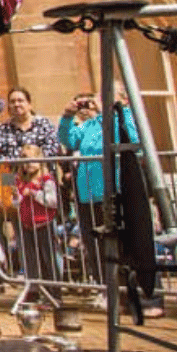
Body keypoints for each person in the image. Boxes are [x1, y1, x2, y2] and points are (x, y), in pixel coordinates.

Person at [60, 92, 139, 304]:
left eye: (100, 97)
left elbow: (133, 139)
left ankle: (128, 293)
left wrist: (123, 109)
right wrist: (67, 116)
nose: (93, 102)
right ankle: (106, 289)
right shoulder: (91, 124)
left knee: (120, 246)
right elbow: (67, 140)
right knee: (94, 245)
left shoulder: (122, 120)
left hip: (113, 192)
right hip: (87, 195)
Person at [14, 144, 61, 299]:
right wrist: (15, 197)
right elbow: (13, 201)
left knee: (48, 259)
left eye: (33, 160)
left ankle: (54, 292)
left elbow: (52, 201)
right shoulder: (17, 179)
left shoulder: (46, 179)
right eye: (25, 160)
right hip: (26, 224)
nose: (29, 164)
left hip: (44, 223)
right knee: (30, 259)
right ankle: (33, 291)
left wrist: (34, 193)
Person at [0, 86, 60, 161]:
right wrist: (8, 164)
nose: (16, 104)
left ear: (29, 105)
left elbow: (54, 147)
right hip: (12, 171)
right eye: (12, 102)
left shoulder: (44, 124)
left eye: (20, 101)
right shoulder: (2, 130)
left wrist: (35, 160)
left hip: (42, 170)